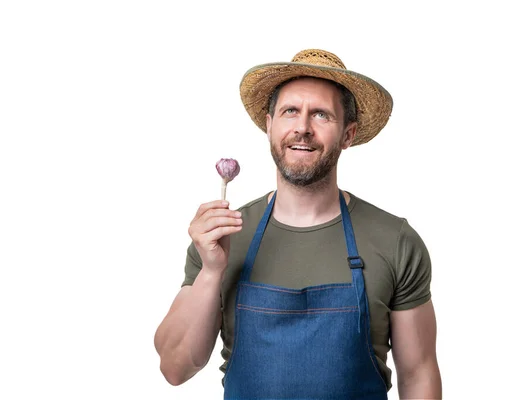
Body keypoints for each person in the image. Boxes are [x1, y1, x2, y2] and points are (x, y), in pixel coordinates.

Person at [154, 49, 442, 399]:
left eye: (321, 115)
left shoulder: (395, 241)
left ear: (348, 135)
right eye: (291, 111)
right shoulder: (222, 237)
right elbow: (175, 367)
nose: (302, 128)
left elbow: (419, 374)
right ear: (269, 124)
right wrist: (211, 271)